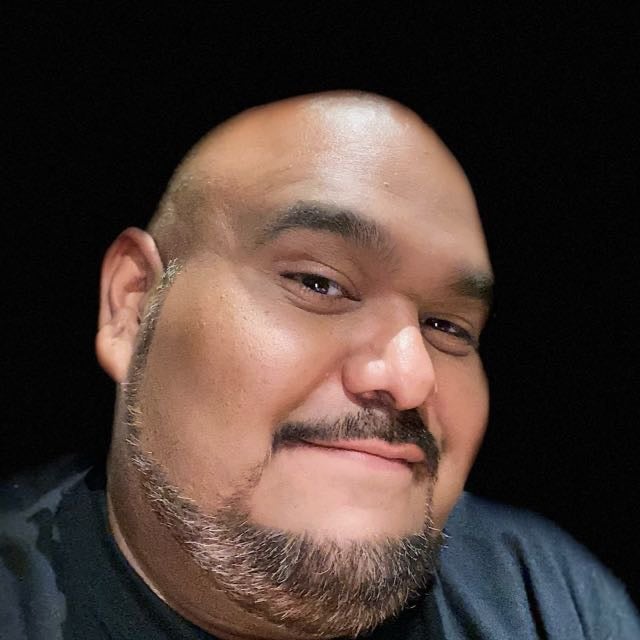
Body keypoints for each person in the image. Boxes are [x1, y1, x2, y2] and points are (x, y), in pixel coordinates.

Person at [1, 91, 638, 640]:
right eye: (318, 283)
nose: (410, 377)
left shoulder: (553, 597)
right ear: (133, 307)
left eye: (447, 327)